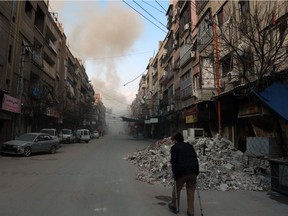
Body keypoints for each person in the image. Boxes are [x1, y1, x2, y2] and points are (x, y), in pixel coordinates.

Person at [168, 132, 199, 216]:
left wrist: (174, 172)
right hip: (193, 172)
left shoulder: (174, 148)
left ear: (175, 140)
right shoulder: (190, 146)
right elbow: (195, 159)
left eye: (173, 140)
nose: (173, 141)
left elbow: (174, 161)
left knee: (177, 189)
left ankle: (174, 206)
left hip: (182, 172)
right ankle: (191, 211)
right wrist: (197, 172)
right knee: (191, 190)